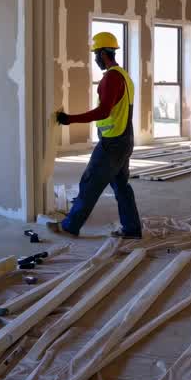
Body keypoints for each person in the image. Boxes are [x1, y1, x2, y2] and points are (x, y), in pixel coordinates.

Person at [50, 32, 142, 239]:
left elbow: (103, 111)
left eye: (95, 54)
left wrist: (70, 119)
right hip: (125, 139)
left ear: (102, 54)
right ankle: (132, 229)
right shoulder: (124, 76)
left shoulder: (111, 78)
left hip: (112, 143)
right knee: (121, 186)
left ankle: (70, 226)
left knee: (89, 182)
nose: (95, 59)